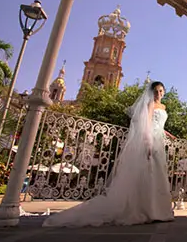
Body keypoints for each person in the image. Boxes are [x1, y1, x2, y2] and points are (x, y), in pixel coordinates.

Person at [43, 81, 174, 227]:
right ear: (151, 92)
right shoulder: (150, 104)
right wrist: (148, 142)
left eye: (161, 91)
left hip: (159, 140)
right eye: (156, 91)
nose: (159, 94)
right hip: (150, 140)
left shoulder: (163, 107)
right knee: (148, 172)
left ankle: (159, 210)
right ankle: (148, 210)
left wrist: (167, 134)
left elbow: (159, 125)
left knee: (158, 173)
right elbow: (146, 124)